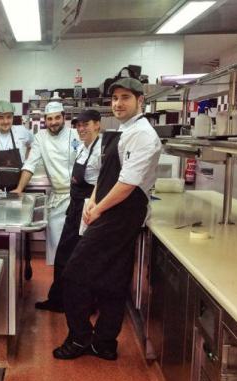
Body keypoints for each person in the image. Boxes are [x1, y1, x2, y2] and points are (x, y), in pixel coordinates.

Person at [53, 78, 161, 361]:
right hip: (109, 209)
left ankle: (79, 339)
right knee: (114, 279)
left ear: (140, 101)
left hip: (123, 213)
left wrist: (98, 209)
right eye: (115, 98)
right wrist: (93, 200)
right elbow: (105, 175)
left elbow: (126, 184)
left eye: (125, 97)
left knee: (74, 274)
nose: (118, 103)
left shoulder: (144, 136)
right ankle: (104, 343)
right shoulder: (124, 131)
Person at [35, 109, 102, 312]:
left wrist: (93, 205)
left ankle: (84, 305)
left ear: (97, 124)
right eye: (79, 125)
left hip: (86, 209)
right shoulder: (84, 147)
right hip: (75, 207)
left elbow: (104, 181)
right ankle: (58, 299)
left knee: (80, 259)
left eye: (86, 124)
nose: (81, 128)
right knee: (64, 254)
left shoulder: (100, 149)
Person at [11, 101, 80, 270]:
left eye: (57, 118)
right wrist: (19, 189)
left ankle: (74, 294)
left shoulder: (76, 135)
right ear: (45, 120)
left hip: (78, 198)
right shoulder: (40, 138)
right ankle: (58, 294)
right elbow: (30, 164)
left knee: (76, 249)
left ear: (64, 118)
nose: (54, 122)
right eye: (50, 119)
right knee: (57, 246)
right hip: (57, 198)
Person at [0, 100, 33, 192]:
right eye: (1, 117)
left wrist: (27, 161)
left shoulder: (21, 131)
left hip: (18, 188)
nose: (5, 121)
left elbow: (32, 145)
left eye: (9, 117)